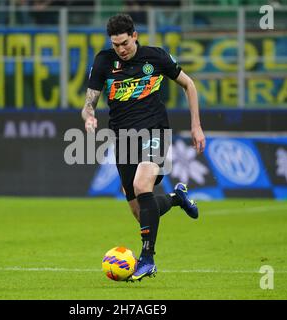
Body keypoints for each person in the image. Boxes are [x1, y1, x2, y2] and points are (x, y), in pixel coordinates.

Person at [81, 14, 205, 281]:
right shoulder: (104, 61)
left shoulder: (156, 57)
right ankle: (176, 199)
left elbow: (189, 85)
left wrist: (196, 126)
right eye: (116, 45)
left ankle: (147, 259)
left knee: (141, 184)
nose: (121, 49)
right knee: (140, 213)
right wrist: (89, 115)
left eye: (124, 43)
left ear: (134, 36)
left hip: (155, 131)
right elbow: (89, 102)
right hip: (123, 139)